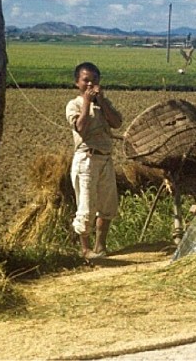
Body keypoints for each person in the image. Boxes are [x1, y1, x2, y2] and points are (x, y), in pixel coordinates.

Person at [65, 62, 123, 259]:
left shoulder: (105, 104)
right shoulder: (74, 105)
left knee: (107, 206)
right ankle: (85, 249)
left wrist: (103, 102)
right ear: (77, 83)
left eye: (94, 80)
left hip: (105, 158)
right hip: (86, 160)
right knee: (86, 206)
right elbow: (80, 128)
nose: (91, 84)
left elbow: (117, 122)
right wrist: (88, 103)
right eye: (86, 80)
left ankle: (100, 246)